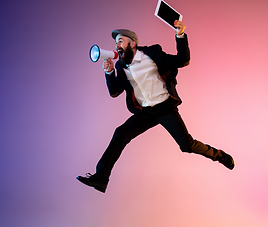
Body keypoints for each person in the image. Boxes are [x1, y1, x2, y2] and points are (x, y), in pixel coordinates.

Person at [77, 21, 234, 193]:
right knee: (120, 133)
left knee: (187, 146)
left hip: (165, 107)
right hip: (147, 112)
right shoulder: (120, 67)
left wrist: (180, 34)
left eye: (121, 41)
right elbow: (114, 92)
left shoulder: (151, 54)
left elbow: (183, 60)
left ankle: (219, 155)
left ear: (133, 43)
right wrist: (109, 73)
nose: (117, 45)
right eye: (116, 43)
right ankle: (100, 178)